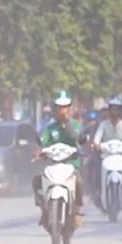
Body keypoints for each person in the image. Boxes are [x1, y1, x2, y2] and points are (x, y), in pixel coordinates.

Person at [33, 90, 86, 227]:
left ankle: (76, 213)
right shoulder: (50, 128)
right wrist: (39, 151)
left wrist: (67, 123)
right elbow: (43, 141)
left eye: (65, 107)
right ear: (55, 109)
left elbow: (77, 139)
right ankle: (44, 211)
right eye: (59, 107)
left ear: (69, 108)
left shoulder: (75, 125)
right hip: (54, 165)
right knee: (37, 180)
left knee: (79, 181)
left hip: (71, 164)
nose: (62, 110)